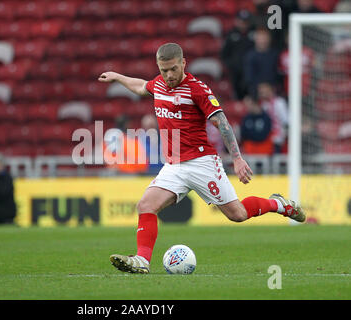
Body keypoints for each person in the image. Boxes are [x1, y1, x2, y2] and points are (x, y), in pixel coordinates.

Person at [98, 43, 306, 274]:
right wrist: (117, 76)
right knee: (146, 205)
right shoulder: (158, 84)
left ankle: (278, 203)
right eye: (164, 70)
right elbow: (140, 87)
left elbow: (222, 123)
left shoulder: (197, 89)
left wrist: (237, 159)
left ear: (183, 63)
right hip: (174, 166)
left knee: (237, 214)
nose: (169, 75)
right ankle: (142, 260)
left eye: (173, 69)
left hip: (202, 163)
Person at [220, 9, 255, 100]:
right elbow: (224, 54)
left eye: (245, 21)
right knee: (237, 96)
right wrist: (232, 65)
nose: (243, 24)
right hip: (236, 73)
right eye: (241, 21)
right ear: (236, 21)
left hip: (252, 72)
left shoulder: (254, 33)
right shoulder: (231, 34)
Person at [243, 27, 281, 98]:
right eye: (261, 38)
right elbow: (249, 77)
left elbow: (277, 74)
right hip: (256, 93)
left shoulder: (275, 54)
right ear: (256, 40)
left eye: (265, 38)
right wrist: (259, 89)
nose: (263, 41)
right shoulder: (250, 56)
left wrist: (271, 88)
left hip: (273, 92)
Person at [257, 82, 289, 154]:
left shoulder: (279, 102)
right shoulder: (261, 105)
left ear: (271, 90)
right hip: (266, 139)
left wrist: (283, 134)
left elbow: (286, 120)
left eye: (264, 91)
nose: (262, 93)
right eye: (261, 92)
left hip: (278, 138)